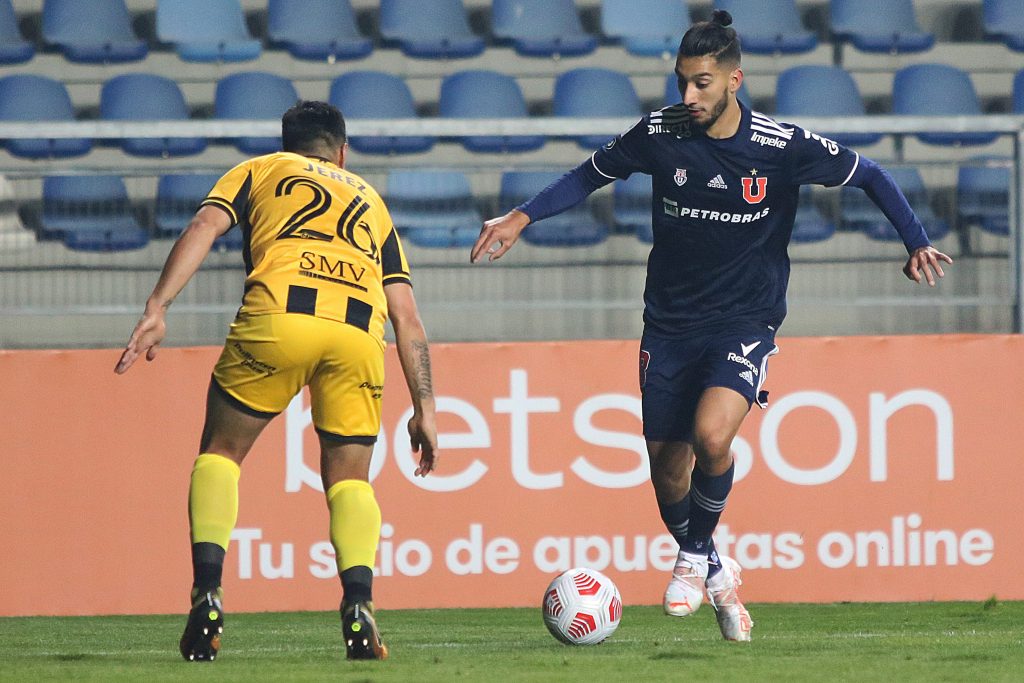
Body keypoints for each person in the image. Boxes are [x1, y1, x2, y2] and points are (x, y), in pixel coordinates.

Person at [471, 11, 952, 642]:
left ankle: (693, 558)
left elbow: (871, 174)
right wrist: (520, 218)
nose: (688, 97)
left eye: (701, 83)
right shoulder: (660, 132)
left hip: (745, 319)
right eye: (682, 82)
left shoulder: (779, 147)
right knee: (668, 469)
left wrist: (914, 241)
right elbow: (589, 175)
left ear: (734, 80)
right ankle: (719, 578)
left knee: (712, 435)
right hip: (669, 323)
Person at [116, 101, 438, 661]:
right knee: (350, 481)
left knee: (220, 452)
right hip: (359, 333)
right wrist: (425, 406)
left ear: (287, 143)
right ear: (342, 150)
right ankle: (359, 605)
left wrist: (157, 307)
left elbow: (203, 226)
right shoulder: (371, 200)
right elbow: (407, 315)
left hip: (279, 317)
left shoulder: (258, 170)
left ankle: (208, 591)